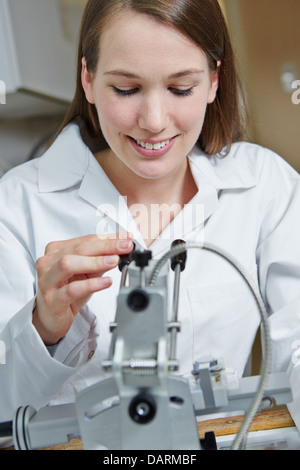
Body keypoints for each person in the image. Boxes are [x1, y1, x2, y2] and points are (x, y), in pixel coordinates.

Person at [1, 0, 300, 441]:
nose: (154, 122)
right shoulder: (17, 203)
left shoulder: (265, 185)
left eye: (181, 89)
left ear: (215, 80)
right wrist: (43, 331)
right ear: (88, 78)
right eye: (126, 89)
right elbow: (6, 407)